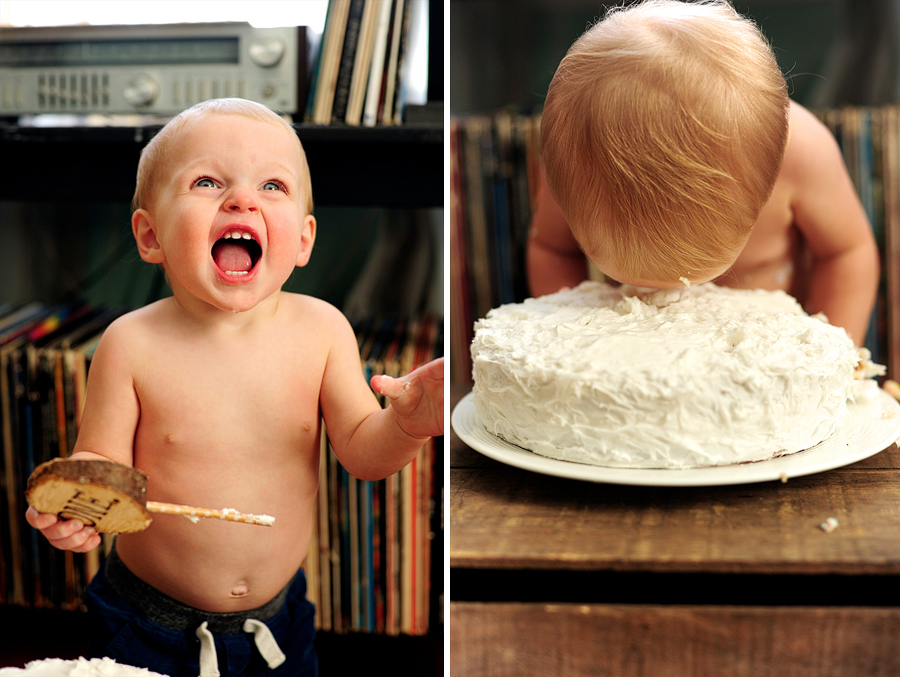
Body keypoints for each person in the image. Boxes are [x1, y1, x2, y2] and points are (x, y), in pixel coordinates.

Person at [25, 98, 444, 676]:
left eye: (272, 185)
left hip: (277, 624)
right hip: (146, 624)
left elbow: (363, 452)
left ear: (302, 240)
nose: (242, 199)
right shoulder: (130, 344)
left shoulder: (322, 331)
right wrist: (78, 508)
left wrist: (405, 425)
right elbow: (101, 463)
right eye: (206, 181)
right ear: (151, 237)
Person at [529, 0, 878, 346]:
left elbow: (846, 252)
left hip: (768, 361)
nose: (676, 296)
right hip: (644, 359)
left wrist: (839, 353)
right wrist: (571, 340)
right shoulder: (581, 155)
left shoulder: (804, 153)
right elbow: (552, 250)